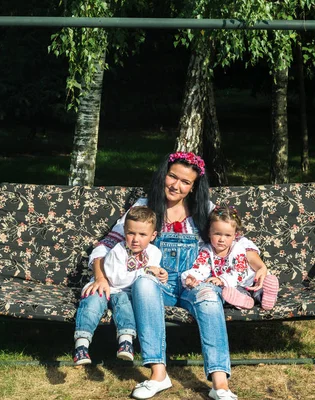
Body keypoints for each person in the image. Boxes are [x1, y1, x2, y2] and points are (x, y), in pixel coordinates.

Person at [84, 152, 269, 400]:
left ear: (193, 187)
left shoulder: (204, 210)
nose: (176, 185)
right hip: (159, 282)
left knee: (208, 297)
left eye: (185, 182)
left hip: (195, 281)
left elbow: (241, 243)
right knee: (143, 283)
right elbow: (106, 245)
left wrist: (260, 266)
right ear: (164, 175)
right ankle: (159, 375)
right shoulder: (144, 207)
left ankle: (220, 384)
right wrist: (100, 277)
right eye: (173, 177)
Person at [73, 206, 166, 366]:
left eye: (142, 234)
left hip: (125, 293)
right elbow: (116, 279)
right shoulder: (118, 250)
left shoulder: (154, 253)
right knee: (92, 304)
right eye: (131, 233)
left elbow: (149, 280)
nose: (136, 239)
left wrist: (160, 275)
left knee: (125, 305)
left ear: (153, 235)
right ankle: (81, 345)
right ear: (124, 231)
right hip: (106, 286)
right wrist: (145, 270)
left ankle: (126, 342)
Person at [181, 206, 279, 311]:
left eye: (227, 235)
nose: (222, 239)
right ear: (209, 233)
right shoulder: (206, 251)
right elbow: (200, 267)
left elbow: (240, 273)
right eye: (217, 234)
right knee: (230, 293)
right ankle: (246, 300)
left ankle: (267, 295)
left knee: (258, 290)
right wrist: (193, 277)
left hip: (250, 281)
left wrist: (221, 280)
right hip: (235, 288)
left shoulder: (237, 248)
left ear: (235, 236)